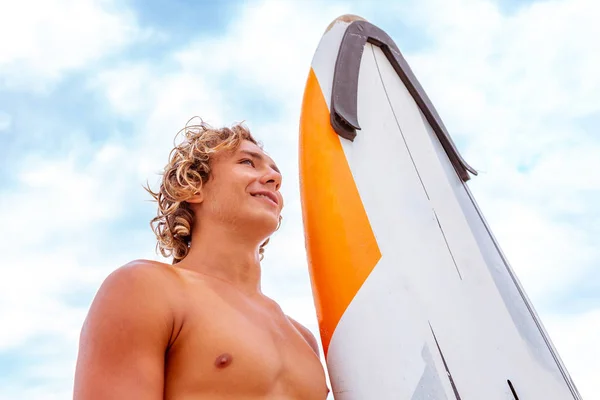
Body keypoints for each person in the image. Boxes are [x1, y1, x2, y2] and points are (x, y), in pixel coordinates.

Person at [73, 121, 330, 399]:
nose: (273, 178)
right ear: (193, 187)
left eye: (275, 173)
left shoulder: (304, 340)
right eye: (247, 162)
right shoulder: (144, 287)